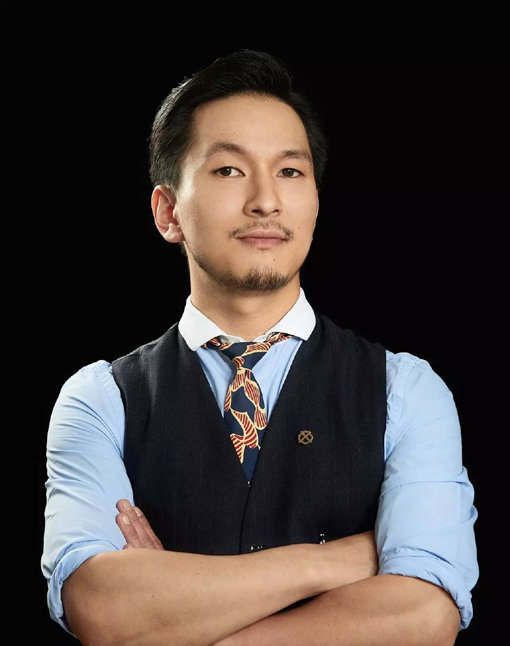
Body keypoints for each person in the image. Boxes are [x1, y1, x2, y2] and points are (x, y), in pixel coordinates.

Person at [41, 50, 478, 645]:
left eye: (290, 172)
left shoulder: (406, 389)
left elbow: (423, 617)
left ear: (316, 200)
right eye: (229, 170)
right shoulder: (98, 400)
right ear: (169, 212)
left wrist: (172, 617)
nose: (266, 201)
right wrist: (339, 560)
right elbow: (101, 608)